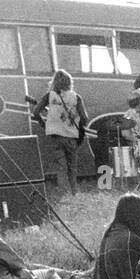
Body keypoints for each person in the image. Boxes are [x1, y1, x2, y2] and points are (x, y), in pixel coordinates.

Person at [32, 68, 88, 197]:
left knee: (61, 166)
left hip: (56, 137)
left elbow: (36, 112)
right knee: (72, 166)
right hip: (72, 137)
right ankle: (74, 192)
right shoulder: (76, 97)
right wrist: (76, 125)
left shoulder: (50, 96)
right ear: (69, 82)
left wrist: (44, 124)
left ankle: (63, 193)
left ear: (55, 82)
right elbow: (84, 118)